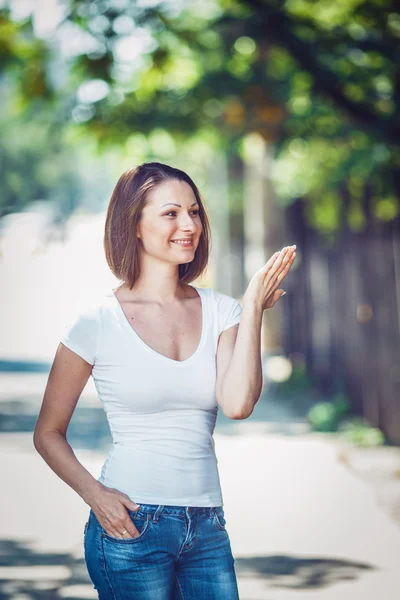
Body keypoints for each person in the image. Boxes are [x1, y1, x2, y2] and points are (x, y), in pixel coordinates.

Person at [33, 161, 296, 599]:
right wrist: (95, 495)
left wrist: (252, 308)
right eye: (171, 213)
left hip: (208, 527)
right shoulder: (97, 321)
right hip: (131, 526)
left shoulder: (222, 311)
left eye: (194, 212)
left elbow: (237, 404)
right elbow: (47, 433)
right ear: (134, 225)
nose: (189, 224)